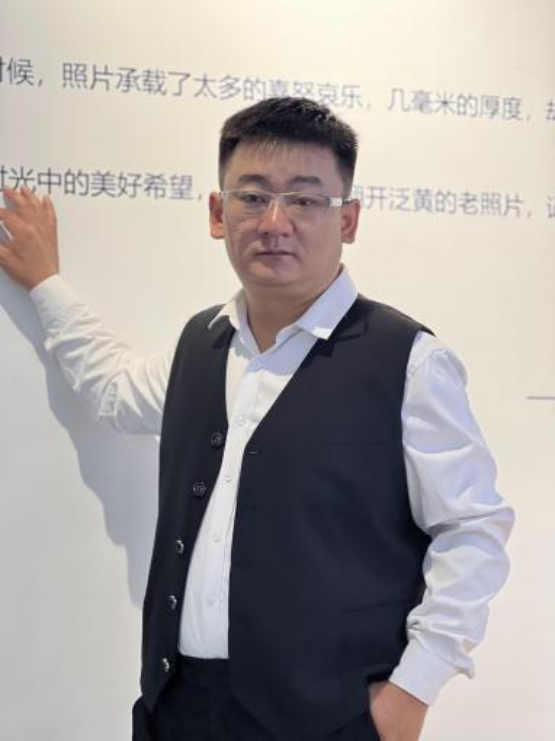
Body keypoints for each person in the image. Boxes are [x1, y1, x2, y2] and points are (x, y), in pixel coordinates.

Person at [0, 97, 514, 741]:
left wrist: (412, 691)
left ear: (347, 219)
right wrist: (46, 283)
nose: (275, 222)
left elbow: (473, 530)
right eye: (252, 197)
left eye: (305, 200)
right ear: (219, 214)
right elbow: (114, 390)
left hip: (327, 720)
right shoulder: (201, 344)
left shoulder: (408, 360)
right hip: (178, 708)